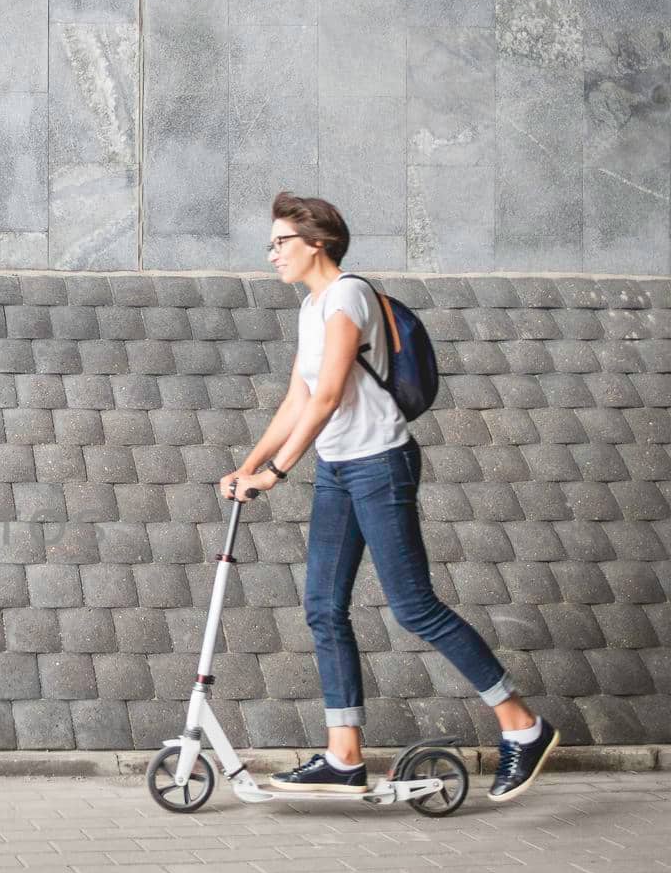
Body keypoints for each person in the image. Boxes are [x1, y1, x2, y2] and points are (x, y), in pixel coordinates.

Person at [218, 192, 557, 802]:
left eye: (280, 243)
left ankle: (522, 725)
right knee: (323, 606)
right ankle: (344, 755)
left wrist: (278, 472)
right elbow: (297, 398)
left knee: (413, 606)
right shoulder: (311, 307)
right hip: (340, 468)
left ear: (316, 242)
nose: (271, 254)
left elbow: (326, 400)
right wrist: (245, 465)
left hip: (380, 464)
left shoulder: (348, 295)